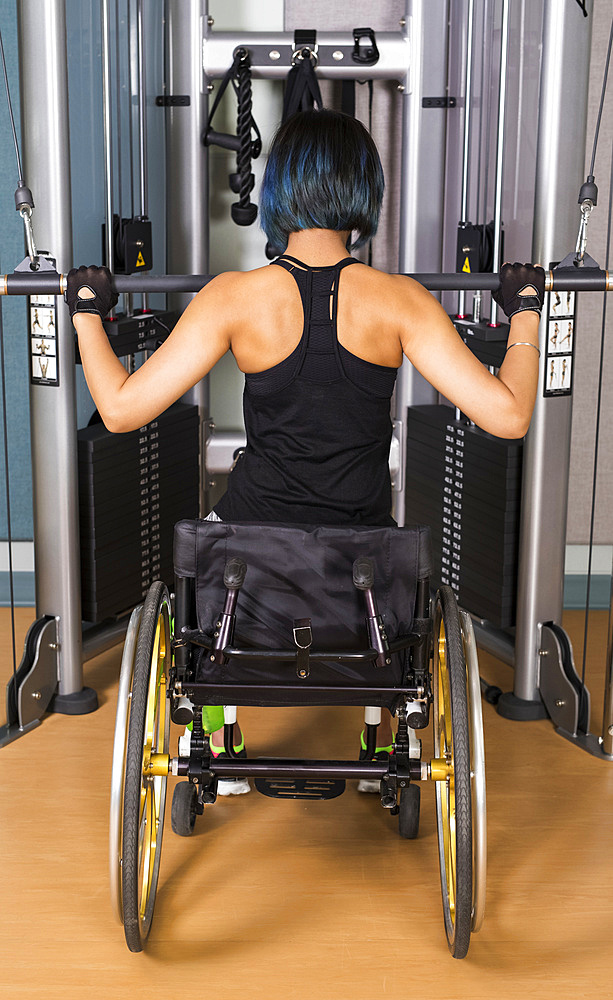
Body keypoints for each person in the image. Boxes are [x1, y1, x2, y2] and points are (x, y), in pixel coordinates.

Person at [67, 108, 544, 794]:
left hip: (247, 566)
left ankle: (221, 744)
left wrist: (87, 311)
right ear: (364, 192)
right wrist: (523, 310)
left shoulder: (233, 297)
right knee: (389, 572)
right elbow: (508, 417)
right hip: (364, 575)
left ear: (282, 188)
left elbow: (118, 409)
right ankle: (378, 740)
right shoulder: (400, 302)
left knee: (211, 563)